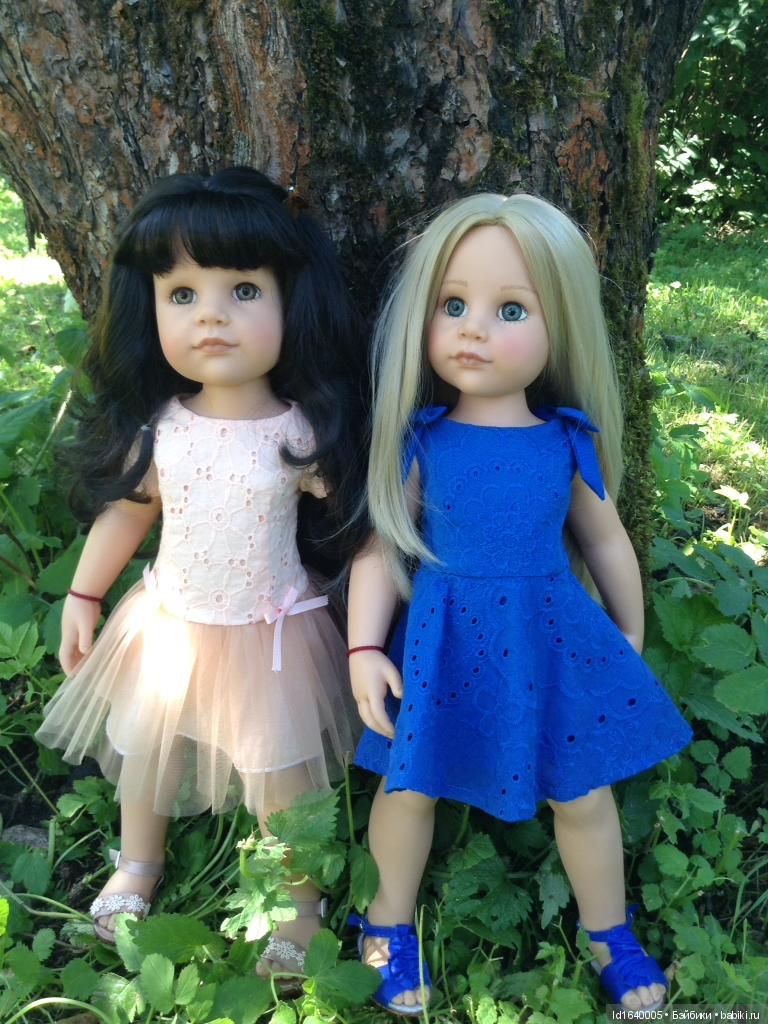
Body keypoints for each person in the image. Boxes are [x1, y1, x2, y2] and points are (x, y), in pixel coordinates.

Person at [347, 193, 692, 1015]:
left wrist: (628, 628)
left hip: (547, 636)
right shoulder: (423, 440)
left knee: (581, 790)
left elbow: (606, 541)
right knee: (409, 785)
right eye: (453, 305)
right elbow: (381, 547)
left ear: (558, 325)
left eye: (510, 310)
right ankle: (385, 921)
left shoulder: (563, 440)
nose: (473, 329)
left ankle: (609, 931)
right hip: (440, 638)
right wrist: (362, 648)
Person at [37, 168, 365, 980]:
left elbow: (361, 527)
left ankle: (299, 900)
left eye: (244, 291)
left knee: (283, 778)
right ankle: (137, 863)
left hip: (270, 635)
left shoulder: (298, 434)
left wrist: (368, 623)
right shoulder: (163, 428)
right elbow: (130, 511)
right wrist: (83, 592)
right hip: (169, 625)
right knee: (144, 749)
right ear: (150, 308)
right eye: (181, 294)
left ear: (292, 302)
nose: (211, 314)